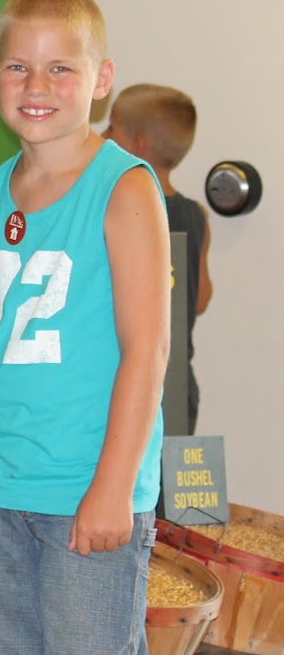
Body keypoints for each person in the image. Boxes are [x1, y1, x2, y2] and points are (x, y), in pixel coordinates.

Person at [0, 0, 170, 655]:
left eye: (60, 68)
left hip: (84, 491)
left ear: (101, 80)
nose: (36, 85)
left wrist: (113, 488)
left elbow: (147, 351)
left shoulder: (125, 188)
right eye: (18, 66)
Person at [104, 84, 213, 431]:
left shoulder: (120, 210)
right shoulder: (196, 215)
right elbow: (200, 299)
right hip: (179, 383)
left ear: (137, 147)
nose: (103, 136)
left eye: (111, 128)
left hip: (128, 381)